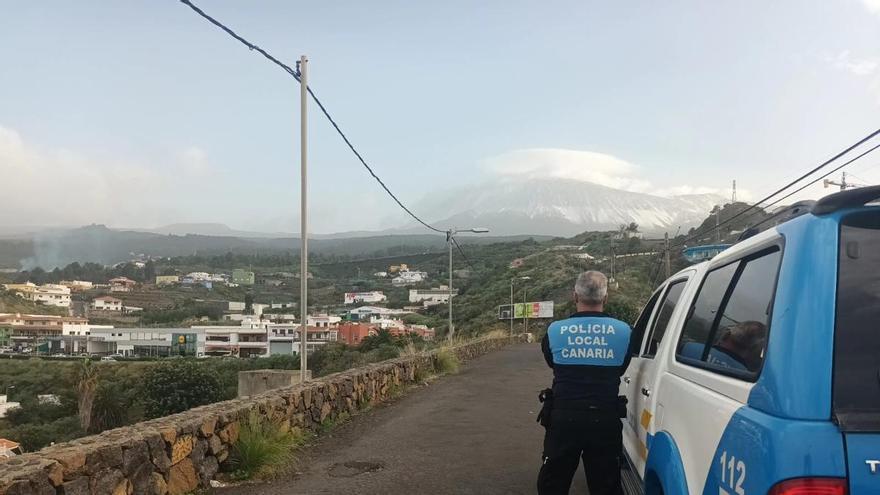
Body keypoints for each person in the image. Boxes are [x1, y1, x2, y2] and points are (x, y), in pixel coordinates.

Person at [538, 270, 634, 495]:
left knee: (553, 482)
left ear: (575, 296)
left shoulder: (554, 330)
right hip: (605, 419)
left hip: (563, 419)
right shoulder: (625, 331)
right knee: (606, 484)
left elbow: (553, 363)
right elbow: (622, 366)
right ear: (605, 298)